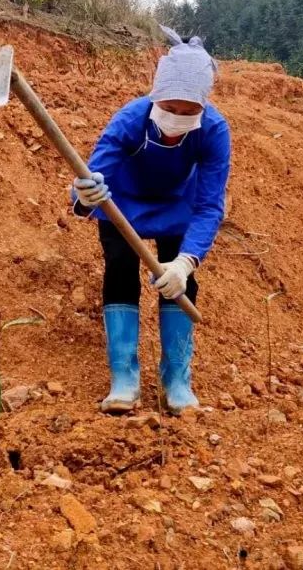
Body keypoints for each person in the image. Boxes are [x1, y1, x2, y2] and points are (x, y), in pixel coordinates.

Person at [71, 27, 231, 415]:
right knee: (121, 269)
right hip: (123, 202)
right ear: (156, 97)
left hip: (180, 205)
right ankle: (124, 378)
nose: (177, 118)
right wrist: (85, 194)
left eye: (187, 111)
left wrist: (186, 261)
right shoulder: (131, 118)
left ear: (202, 106)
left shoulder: (213, 130)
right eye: (170, 108)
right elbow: (95, 171)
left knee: (179, 284)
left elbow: (210, 206)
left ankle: (176, 380)